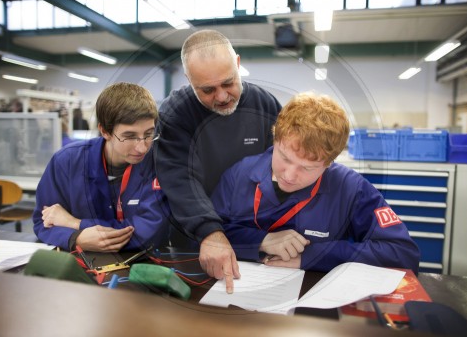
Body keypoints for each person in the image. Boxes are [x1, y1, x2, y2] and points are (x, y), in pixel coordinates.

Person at [211, 92, 420, 274]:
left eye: (307, 168)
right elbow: (205, 237)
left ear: (329, 163)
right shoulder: (239, 174)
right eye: (284, 157)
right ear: (275, 139)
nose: (290, 175)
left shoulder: (350, 188)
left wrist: (315, 256)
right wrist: (261, 240)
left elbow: (402, 253)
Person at [154, 29, 282, 293]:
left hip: (255, 236)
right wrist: (210, 232)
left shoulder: (265, 105)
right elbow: (180, 179)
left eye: (228, 83)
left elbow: (281, 170)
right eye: (208, 89)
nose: (222, 97)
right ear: (189, 79)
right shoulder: (175, 114)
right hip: (195, 239)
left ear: (237, 63)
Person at [33, 82, 170, 252]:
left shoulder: (158, 163)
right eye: (129, 136)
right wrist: (77, 238)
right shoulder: (66, 162)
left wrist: (75, 224)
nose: (142, 147)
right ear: (105, 131)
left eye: (149, 134)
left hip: (144, 264)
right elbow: (43, 221)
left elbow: (147, 233)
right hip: (80, 265)